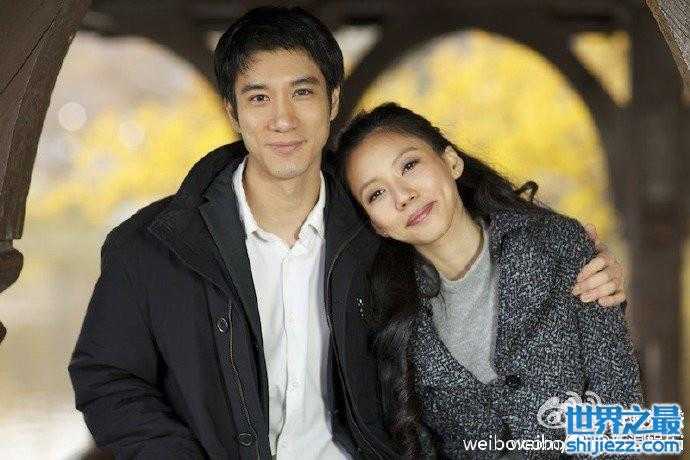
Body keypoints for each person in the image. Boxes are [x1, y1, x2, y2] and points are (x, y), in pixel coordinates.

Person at [68, 6, 628, 459]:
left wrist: (570, 256)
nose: (283, 119)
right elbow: (106, 376)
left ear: (333, 101)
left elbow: (455, 227)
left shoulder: (375, 229)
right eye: (259, 97)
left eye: (303, 92)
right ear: (233, 112)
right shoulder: (152, 246)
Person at [336, 103, 643, 458]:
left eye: (409, 165)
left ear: (451, 162)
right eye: (376, 194)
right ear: (377, 225)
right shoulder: (390, 318)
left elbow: (619, 407)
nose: (403, 196)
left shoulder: (558, 243)